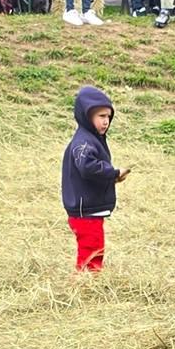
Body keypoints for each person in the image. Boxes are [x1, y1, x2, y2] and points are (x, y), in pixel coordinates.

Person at [62, 86, 126, 272]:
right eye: (100, 116)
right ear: (86, 116)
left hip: (88, 209)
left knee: (94, 248)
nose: (106, 122)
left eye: (108, 116)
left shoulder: (92, 138)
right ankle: (86, 284)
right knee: (91, 250)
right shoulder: (84, 141)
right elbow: (87, 167)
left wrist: (111, 178)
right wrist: (112, 173)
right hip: (85, 211)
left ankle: (90, 279)